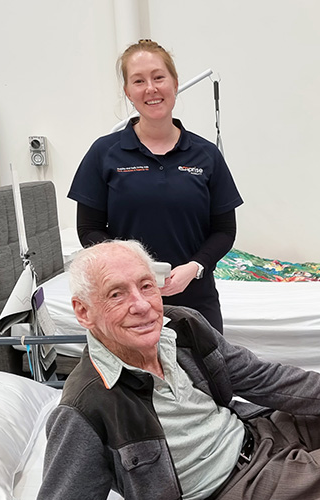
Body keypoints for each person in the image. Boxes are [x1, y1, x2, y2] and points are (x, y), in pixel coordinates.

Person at [30, 240, 320, 500]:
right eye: (117, 294)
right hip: (241, 488)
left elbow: (265, 378)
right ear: (83, 312)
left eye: (146, 286)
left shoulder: (183, 327)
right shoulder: (85, 405)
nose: (141, 305)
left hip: (260, 429)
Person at [68, 39, 242, 332]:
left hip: (196, 301)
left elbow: (225, 230)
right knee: (137, 378)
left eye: (158, 77)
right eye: (139, 80)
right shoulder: (104, 153)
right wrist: (133, 273)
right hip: (127, 304)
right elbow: (88, 230)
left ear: (174, 83)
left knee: (203, 377)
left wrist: (195, 268)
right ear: (128, 92)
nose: (151, 88)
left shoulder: (205, 154)